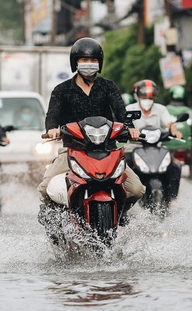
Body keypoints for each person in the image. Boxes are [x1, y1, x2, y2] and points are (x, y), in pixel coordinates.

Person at [38, 37, 145, 221]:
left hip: (107, 151)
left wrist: (131, 128)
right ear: (75, 62)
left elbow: (121, 112)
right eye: (85, 60)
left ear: (100, 63)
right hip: (73, 150)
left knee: (136, 189)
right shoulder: (61, 90)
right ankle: (55, 221)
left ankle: (119, 215)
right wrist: (52, 129)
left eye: (94, 60)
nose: (89, 64)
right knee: (45, 188)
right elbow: (52, 116)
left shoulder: (108, 87)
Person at [126, 79, 183, 199]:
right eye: (144, 94)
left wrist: (174, 130)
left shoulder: (161, 109)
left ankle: (172, 199)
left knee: (175, 166)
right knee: (123, 166)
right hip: (134, 147)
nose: (147, 98)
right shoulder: (130, 109)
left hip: (157, 147)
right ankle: (126, 199)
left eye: (151, 95)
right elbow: (124, 124)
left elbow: (169, 122)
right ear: (137, 95)